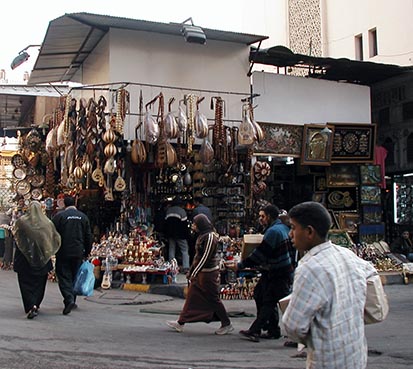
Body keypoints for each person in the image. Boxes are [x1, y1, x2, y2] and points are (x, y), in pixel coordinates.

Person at [282, 201, 378, 369]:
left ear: (309, 232)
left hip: (328, 359)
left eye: (293, 228)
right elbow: (372, 278)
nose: (290, 234)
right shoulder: (347, 255)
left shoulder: (309, 268)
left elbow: (294, 326)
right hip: (355, 356)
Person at [234, 204, 294, 342]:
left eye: (262, 216)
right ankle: (273, 330)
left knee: (269, 301)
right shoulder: (280, 228)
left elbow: (261, 254)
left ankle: (255, 330)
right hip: (276, 270)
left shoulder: (273, 232)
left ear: (269, 216)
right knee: (260, 295)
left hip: (279, 272)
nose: (260, 219)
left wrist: (240, 266)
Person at [166, 214, 233, 335]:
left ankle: (226, 323)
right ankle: (181, 322)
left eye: (195, 224)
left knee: (213, 298)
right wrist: (192, 271)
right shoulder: (202, 236)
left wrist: (194, 272)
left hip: (208, 274)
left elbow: (205, 258)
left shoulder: (210, 237)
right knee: (191, 296)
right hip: (201, 273)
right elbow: (197, 257)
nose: (193, 226)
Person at [12, 201, 61, 319]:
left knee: (25, 282)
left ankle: (30, 305)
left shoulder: (22, 222)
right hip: (42, 257)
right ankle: (36, 304)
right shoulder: (47, 223)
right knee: (39, 283)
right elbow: (53, 238)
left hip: (24, 257)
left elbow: (16, 236)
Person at [52, 195, 92, 315]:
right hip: (78, 252)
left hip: (63, 252)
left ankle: (68, 298)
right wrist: (87, 251)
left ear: (64, 204)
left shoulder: (59, 217)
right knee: (75, 276)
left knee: (64, 276)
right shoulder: (83, 217)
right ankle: (72, 300)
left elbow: (52, 234)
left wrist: (52, 250)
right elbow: (88, 236)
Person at [164, 198, 190, 273]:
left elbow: (166, 224)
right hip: (180, 234)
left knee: (171, 249)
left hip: (171, 234)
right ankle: (186, 267)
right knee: (184, 250)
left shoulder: (168, 211)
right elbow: (184, 225)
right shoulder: (182, 211)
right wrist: (187, 235)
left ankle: (172, 267)